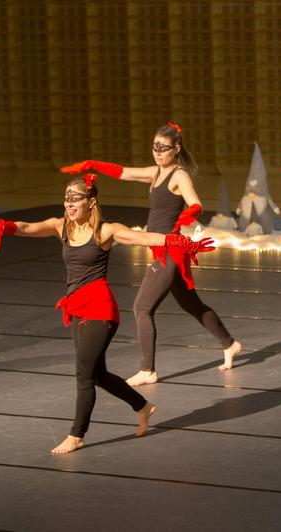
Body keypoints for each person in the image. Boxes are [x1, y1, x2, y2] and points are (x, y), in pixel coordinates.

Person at [0, 174, 214, 454]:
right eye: (66, 198)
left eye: (75, 198)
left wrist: (180, 242)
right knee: (98, 374)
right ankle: (142, 406)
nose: (69, 203)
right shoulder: (61, 226)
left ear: (91, 201)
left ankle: (77, 435)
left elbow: (145, 237)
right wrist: (3, 227)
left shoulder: (105, 231)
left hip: (100, 309)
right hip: (76, 308)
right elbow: (27, 227)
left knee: (83, 374)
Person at [61, 122, 242, 386]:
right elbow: (123, 172)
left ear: (176, 149)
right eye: (154, 147)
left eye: (163, 148)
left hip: (170, 249)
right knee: (190, 304)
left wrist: (186, 217)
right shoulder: (155, 172)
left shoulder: (179, 175)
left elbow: (196, 203)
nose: (157, 152)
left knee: (142, 308)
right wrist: (93, 164)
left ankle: (147, 369)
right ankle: (229, 343)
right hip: (159, 247)